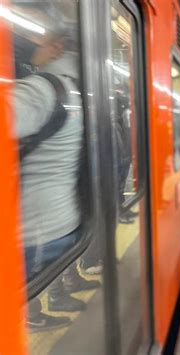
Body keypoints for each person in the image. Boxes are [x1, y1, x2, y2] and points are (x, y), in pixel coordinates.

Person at [14, 51, 100, 332]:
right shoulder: (58, 90)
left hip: (46, 220)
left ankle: (47, 301)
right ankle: (34, 313)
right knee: (35, 277)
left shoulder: (45, 88)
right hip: (45, 218)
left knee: (42, 272)